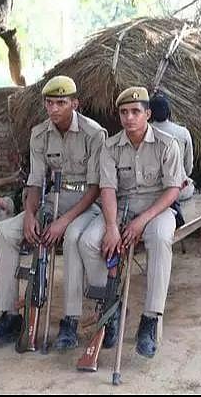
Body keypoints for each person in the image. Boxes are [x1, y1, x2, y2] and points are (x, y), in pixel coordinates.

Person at [0, 75, 107, 346]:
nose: (53, 109)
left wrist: (64, 222)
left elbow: (95, 188)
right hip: (51, 202)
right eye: (49, 103)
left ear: (75, 103)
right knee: (6, 234)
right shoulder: (39, 133)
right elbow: (35, 182)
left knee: (72, 239)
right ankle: (10, 316)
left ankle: (70, 321)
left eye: (61, 103)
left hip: (85, 206)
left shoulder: (94, 133)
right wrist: (29, 215)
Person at [78, 86, 183, 358]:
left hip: (157, 208)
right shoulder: (110, 147)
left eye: (136, 111)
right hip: (120, 207)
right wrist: (112, 227)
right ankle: (111, 305)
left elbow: (173, 189)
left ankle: (150, 319)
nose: (129, 117)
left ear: (148, 114)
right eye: (124, 112)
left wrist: (143, 221)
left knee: (160, 238)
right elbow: (108, 189)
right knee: (88, 241)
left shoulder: (166, 143)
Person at [149, 92, 194, 200]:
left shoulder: (143, 133)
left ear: (149, 113)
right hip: (180, 191)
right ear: (169, 111)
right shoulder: (183, 132)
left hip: (153, 194)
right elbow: (188, 167)